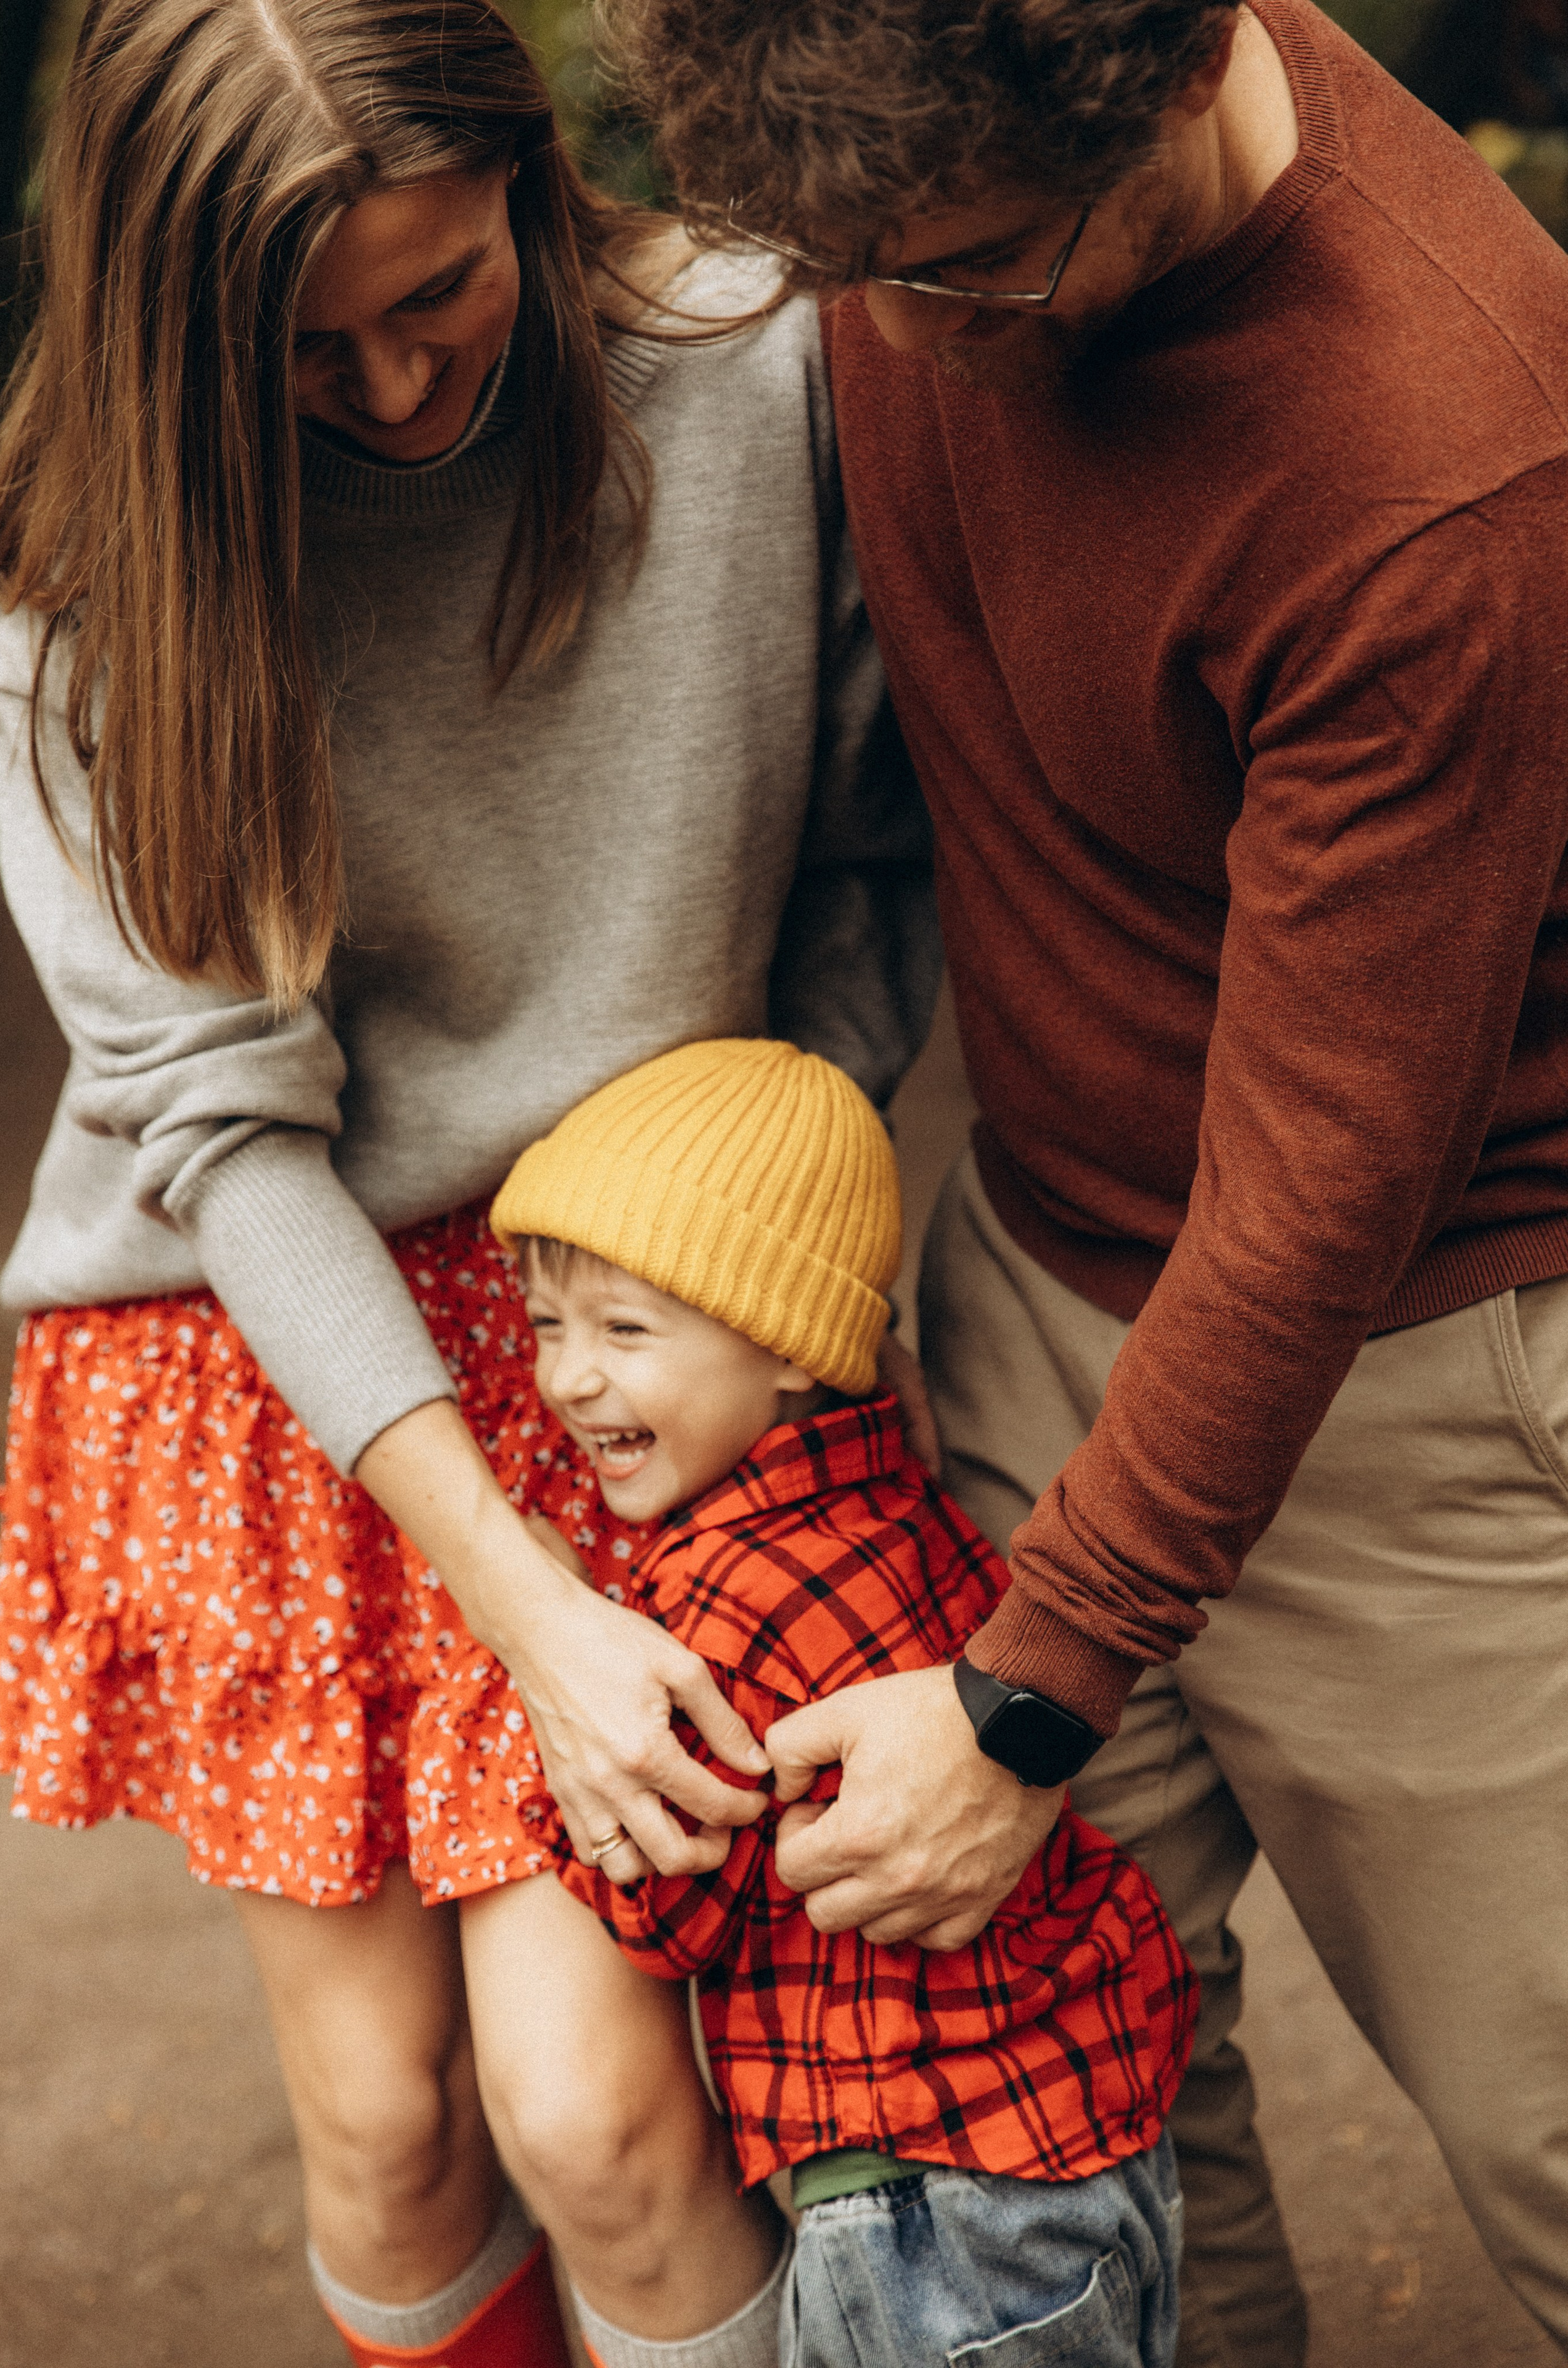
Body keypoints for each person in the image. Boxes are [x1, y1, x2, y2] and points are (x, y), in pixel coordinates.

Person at [600, 0, 1568, 2361]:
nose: (913, 339)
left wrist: (1031, 1698)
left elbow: (1326, 1178)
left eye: (971, 276)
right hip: (1031, 1270)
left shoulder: (1446, 457)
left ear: (1160, 81)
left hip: (1414, 1380)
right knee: (1074, 2131)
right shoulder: (901, 190)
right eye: (863, 284)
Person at [0, 2, 939, 2361]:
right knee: (393, 2123)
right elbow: (217, 1122)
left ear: (531, 179)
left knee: (604, 2111)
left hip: (623, 1300)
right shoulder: (77, 586)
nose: (408, 392)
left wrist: (729, 1244)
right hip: (257, 1340)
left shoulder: (757, 368)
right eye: (315, 355)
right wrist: (520, 1601)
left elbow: (872, 858)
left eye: (444, 296)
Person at [489, 1034, 1196, 2368]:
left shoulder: (709, 1606)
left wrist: (529, 1679)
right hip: (1084, 2136)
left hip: (930, 2214)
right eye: (546, 1325)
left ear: (788, 1349)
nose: (569, 1376)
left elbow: (663, 1908)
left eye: (624, 1329)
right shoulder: (894, 1493)